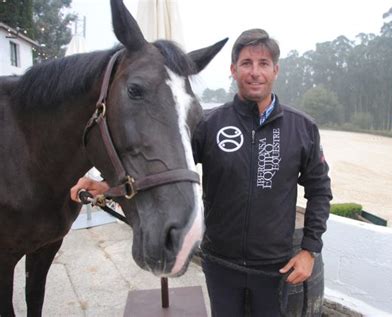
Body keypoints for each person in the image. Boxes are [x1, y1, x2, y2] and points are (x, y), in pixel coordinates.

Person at [71, 28, 332, 316]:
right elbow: (166, 169)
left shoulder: (302, 128)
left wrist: (309, 250)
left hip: (275, 269)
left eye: (263, 64)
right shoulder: (209, 124)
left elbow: (320, 191)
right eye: (246, 63)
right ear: (233, 70)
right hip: (221, 265)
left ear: (275, 70)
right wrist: (106, 185)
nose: (255, 72)